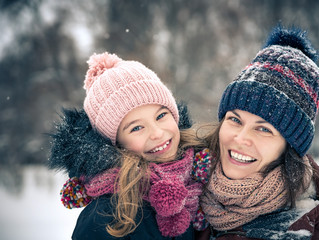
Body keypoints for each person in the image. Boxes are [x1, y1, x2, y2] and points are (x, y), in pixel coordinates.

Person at [194, 26, 319, 239]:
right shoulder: (184, 185)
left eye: (263, 129)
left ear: (288, 146)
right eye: (235, 119)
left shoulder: (295, 230)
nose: (241, 138)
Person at [49, 52, 209, 239]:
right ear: (116, 143)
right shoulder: (107, 214)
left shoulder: (201, 178)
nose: (157, 133)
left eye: (161, 116)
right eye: (137, 128)